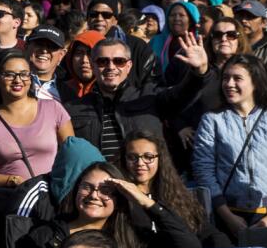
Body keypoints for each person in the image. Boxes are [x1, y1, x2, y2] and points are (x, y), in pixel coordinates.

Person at [8, 140, 202, 248]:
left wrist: (144, 200)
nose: (94, 196)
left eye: (106, 191)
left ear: (120, 199)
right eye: (87, 187)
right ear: (76, 191)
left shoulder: (132, 238)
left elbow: (188, 247)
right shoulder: (46, 235)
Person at [194, 53, 267, 237]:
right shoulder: (212, 120)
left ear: (255, 82)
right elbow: (203, 170)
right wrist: (226, 215)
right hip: (226, 216)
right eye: (226, 78)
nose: (229, 84)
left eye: (237, 78)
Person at [66, 33, 209, 165]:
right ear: (93, 65)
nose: (111, 67)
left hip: (145, 188)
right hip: (98, 189)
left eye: (119, 61)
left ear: (129, 66)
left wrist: (198, 73)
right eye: (102, 61)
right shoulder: (74, 109)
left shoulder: (150, 97)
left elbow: (181, 96)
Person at [0, 49, 74, 189]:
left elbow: (72, 156)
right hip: (10, 200)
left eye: (24, 74)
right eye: (9, 75)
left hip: (50, 198)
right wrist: (11, 180)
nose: (18, 80)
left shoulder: (54, 109)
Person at [122, 130, 223, 248]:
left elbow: (206, 232)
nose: (140, 163)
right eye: (132, 157)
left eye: (148, 157)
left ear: (160, 159)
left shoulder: (176, 194)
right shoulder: (119, 196)